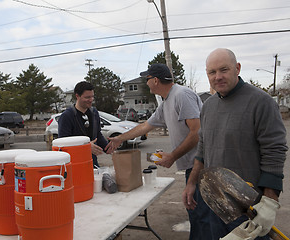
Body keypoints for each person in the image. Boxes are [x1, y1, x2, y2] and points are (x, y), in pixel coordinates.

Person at [182, 48, 288, 240]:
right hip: (216, 203)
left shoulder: (261, 102)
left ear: (237, 68)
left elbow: (274, 151)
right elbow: (203, 150)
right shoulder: (208, 106)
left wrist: (270, 202)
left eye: (224, 70)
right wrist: (191, 184)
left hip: (249, 206)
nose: (218, 77)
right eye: (212, 72)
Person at [105, 63, 205, 239]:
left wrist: (172, 156)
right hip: (191, 166)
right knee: (196, 215)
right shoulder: (166, 102)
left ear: (156, 80)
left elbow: (197, 132)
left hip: (202, 166)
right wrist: (120, 138)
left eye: (147, 79)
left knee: (203, 217)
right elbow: (145, 126)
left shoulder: (182, 95)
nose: (146, 82)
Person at [58, 81, 108, 167]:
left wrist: (108, 147)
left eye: (92, 96)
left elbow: (97, 135)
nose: (91, 100)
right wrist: (86, 148)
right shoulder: (67, 116)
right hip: (74, 165)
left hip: (92, 163)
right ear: (77, 96)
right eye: (87, 97)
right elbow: (63, 145)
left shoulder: (94, 113)